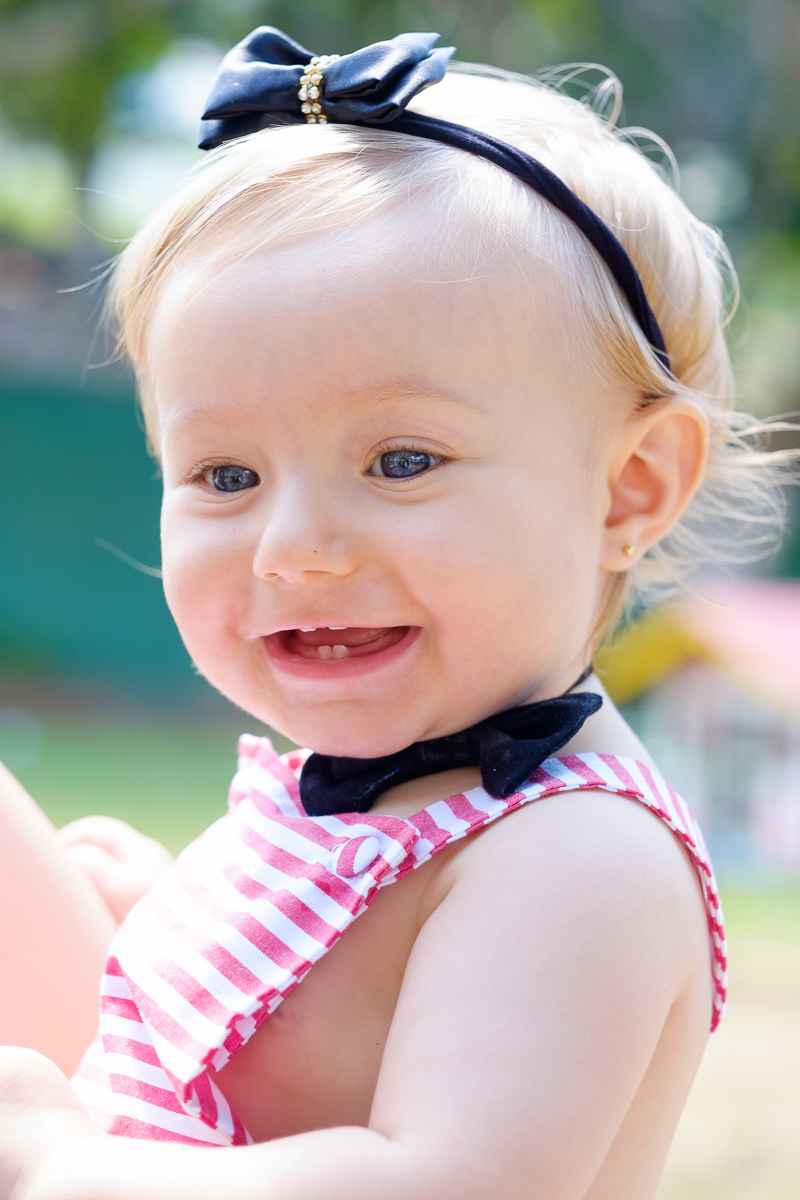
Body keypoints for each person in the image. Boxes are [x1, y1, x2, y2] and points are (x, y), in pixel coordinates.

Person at [1, 24, 788, 1199]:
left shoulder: (575, 858)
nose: (297, 549)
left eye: (402, 461)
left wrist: (67, 1166)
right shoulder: (398, 799)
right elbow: (319, 1063)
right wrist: (176, 927)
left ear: (627, 487)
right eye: (226, 477)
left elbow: (441, 1179)